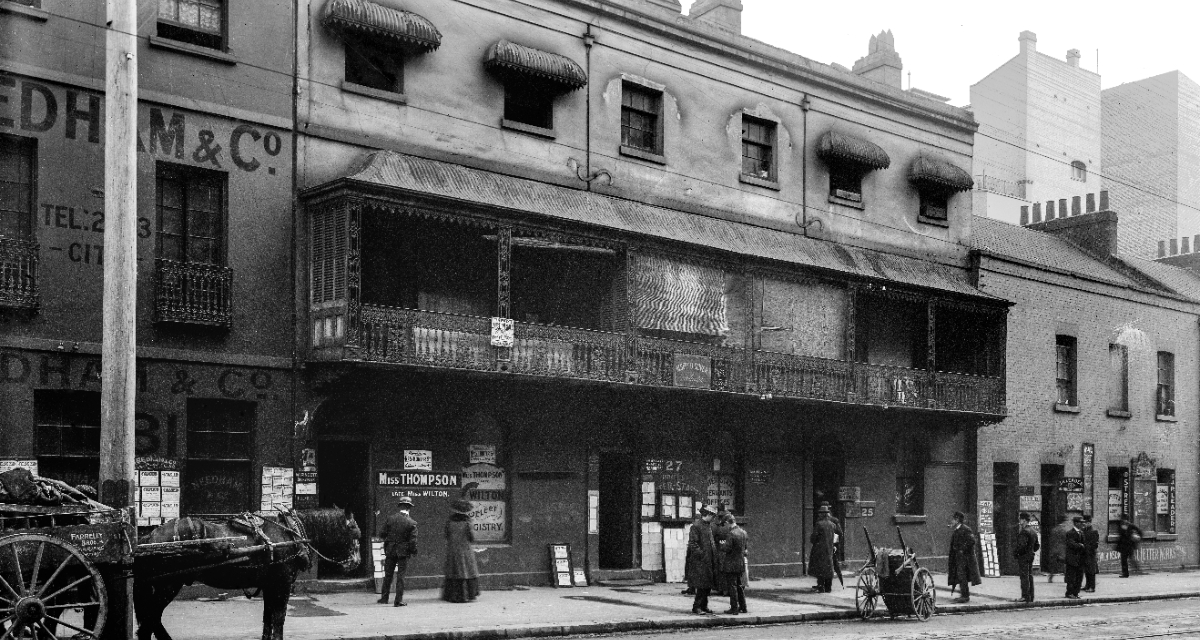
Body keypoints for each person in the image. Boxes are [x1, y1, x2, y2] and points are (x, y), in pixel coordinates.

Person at [378, 496, 418, 606]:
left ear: (400, 506)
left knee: (388, 575)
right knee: (401, 576)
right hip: (403, 552)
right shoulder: (412, 523)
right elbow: (413, 541)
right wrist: (413, 551)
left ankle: (384, 598)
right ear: (409, 508)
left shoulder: (390, 519)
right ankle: (398, 600)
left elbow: (382, 534)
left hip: (390, 550)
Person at [441, 499, 480, 603]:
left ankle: (451, 595)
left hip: (452, 549)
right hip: (465, 549)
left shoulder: (449, 521)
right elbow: (472, 537)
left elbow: (446, 535)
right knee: (467, 570)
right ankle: (467, 595)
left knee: (453, 571)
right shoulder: (467, 522)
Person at [686, 504, 718, 614]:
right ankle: (697, 606)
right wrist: (702, 554)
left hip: (709, 560)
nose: (713, 518)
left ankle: (704, 606)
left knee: (707, 584)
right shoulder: (696, 526)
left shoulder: (709, 525)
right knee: (701, 585)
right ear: (707, 514)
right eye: (712, 515)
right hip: (701, 561)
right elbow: (693, 544)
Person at [947, 511, 981, 603]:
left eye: (953, 519)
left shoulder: (965, 529)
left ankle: (965, 596)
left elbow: (972, 541)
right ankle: (963, 594)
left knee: (962, 576)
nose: (952, 521)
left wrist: (962, 550)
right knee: (960, 575)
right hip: (958, 558)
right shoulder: (957, 529)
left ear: (957, 520)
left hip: (965, 559)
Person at [717, 513, 748, 615]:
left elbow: (727, 548)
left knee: (732, 586)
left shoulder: (731, 534)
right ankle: (743, 607)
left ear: (727, 522)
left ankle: (734, 608)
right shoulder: (743, 532)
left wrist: (722, 545)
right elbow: (745, 549)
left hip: (731, 564)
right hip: (740, 563)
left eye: (724, 524)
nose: (725, 527)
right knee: (739, 585)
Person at [808, 505, 841, 593]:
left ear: (821, 514)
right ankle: (828, 587)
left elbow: (813, 538)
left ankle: (821, 586)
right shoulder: (833, 525)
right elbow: (837, 535)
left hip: (819, 549)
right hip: (829, 549)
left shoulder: (819, 524)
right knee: (829, 567)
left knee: (820, 568)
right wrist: (834, 545)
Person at [1012, 511, 1039, 603]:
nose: (1019, 521)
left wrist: (1016, 553)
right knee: (1029, 576)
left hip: (1024, 557)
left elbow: (1021, 546)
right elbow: (1037, 545)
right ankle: (1031, 596)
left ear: (1023, 520)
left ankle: (1025, 596)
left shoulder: (1024, 532)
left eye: (1020, 519)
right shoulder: (1033, 531)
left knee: (1024, 576)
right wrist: (1031, 551)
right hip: (1030, 556)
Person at [1063, 515, 1085, 599]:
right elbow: (1071, 544)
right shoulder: (1070, 533)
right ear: (1076, 523)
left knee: (1079, 577)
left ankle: (1076, 593)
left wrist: (1081, 545)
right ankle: (1069, 593)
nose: (1082, 524)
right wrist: (1080, 545)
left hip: (1080, 559)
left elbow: (1084, 545)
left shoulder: (1081, 532)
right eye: (1080, 522)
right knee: (1071, 577)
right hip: (1072, 559)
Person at [1046, 515, 1071, 583]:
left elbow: (1051, 541)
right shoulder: (1065, 530)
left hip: (1054, 549)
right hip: (1062, 550)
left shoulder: (1054, 530)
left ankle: (1050, 578)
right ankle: (1066, 578)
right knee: (1065, 564)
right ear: (1064, 522)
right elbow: (1066, 540)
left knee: (1054, 565)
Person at [1082, 515, 1099, 592]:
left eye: (1085, 523)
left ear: (1089, 523)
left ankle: (1092, 587)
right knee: (1087, 571)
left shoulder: (1094, 532)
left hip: (1091, 554)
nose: (1084, 524)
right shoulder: (1084, 531)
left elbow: (1095, 544)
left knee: (1091, 571)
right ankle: (1087, 585)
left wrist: (1089, 548)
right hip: (1085, 553)